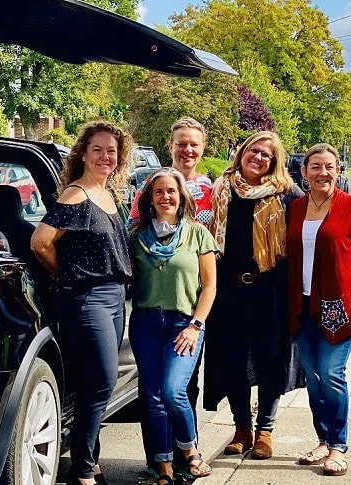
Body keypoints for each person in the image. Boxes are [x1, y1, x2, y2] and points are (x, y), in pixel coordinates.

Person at [30, 120, 133, 485]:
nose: (105, 156)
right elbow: (40, 241)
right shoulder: (76, 195)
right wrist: (67, 273)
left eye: (111, 151)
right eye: (97, 150)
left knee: (95, 381)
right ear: (83, 155)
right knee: (102, 382)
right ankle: (82, 470)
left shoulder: (109, 194)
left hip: (115, 297)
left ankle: (93, 462)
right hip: (88, 299)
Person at [203, 130, 305, 461]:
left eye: (266, 154)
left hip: (270, 288)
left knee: (271, 358)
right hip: (228, 288)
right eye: (254, 151)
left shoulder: (286, 193)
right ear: (242, 152)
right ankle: (241, 428)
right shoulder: (221, 188)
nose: (259, 157)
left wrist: (350, 204)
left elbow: (317, 214)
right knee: (232, 358)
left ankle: (265, 431)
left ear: (274, 161)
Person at [128, 117, 214, 479]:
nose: (166, 196)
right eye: (159, 192)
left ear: (183, 198)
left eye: (172, 192)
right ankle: (162, 462)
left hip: (184, 323)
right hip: (147, 323)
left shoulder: (196, 234)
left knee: (173, 391)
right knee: (151, 396)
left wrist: (196, 325)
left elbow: (209, 286)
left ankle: (189, 450)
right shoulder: (137, 236)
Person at [286, 143, 351, 476]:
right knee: (312, 377)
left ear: (338, 171)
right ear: (304, 172)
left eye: (329, 167)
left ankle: (338, 446)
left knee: (331, 373)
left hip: (341, 306)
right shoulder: (295, 208)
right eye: (315, 167)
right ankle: (323, 440)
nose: (322, 173)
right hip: (303, 305)